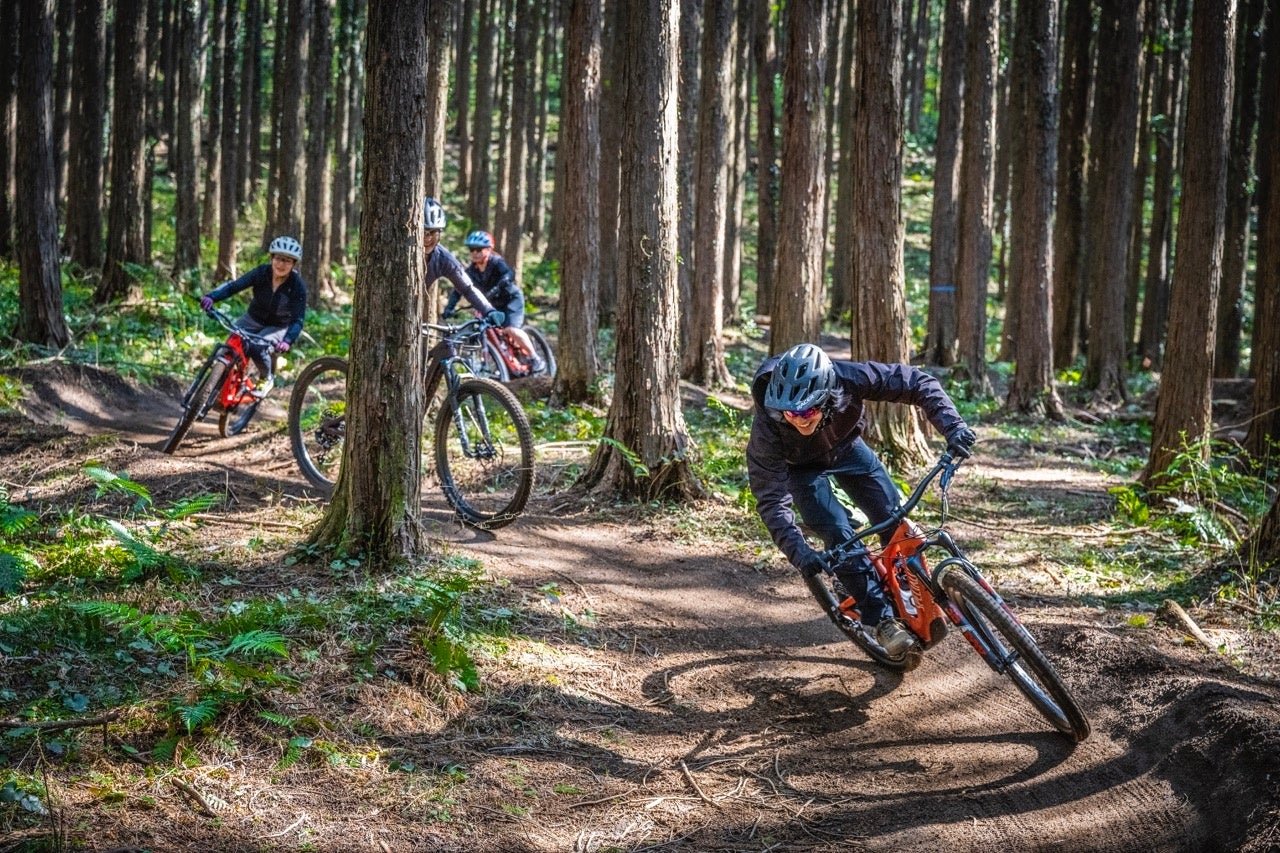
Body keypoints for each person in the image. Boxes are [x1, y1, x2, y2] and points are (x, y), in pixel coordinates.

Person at [746, 343, 978, 658]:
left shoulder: (847, 378)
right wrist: (800, 553)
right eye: (791, 413)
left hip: (847, 448)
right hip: (800, 469)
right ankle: (882, 620)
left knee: (892, 517)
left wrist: (953, 427)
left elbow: (916, 382)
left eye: (808, 411)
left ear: (826, 396)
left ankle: (906, 588)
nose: (799, 419)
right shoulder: (767, 430)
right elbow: (771, 500)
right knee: (837, 532)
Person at [199, 236, 308, 398]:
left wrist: (287, 340)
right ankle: (213, 382)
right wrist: (212, 297)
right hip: (253, 318)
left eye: (287, 261)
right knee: (229, 347)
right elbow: (235, 286)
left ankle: (266, 378)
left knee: (257, 347)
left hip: (278, 326)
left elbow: (298, 319)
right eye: (278, 258)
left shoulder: (297, 286)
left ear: (294, 264)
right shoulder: (261, 273)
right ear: (272, 258)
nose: (281, 264)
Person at [443, 229, 546, 375]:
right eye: (472, 249)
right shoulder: (471, 271)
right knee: (485, 330)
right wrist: (449, 308)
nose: (474, 253)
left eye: (478, 249)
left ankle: (535, 358)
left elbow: (509, 274)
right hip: (492, 305)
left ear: (489, 249)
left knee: (511, 330)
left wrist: (501, 283)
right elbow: (458, 290)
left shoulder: (497, 263)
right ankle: (499, 365)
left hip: (510, 301)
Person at [421, 199, 505, 332]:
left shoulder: (443, 259)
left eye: (433, 232)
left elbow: (467, 288)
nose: (427, 238)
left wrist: (489, 310)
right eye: (423, 232)